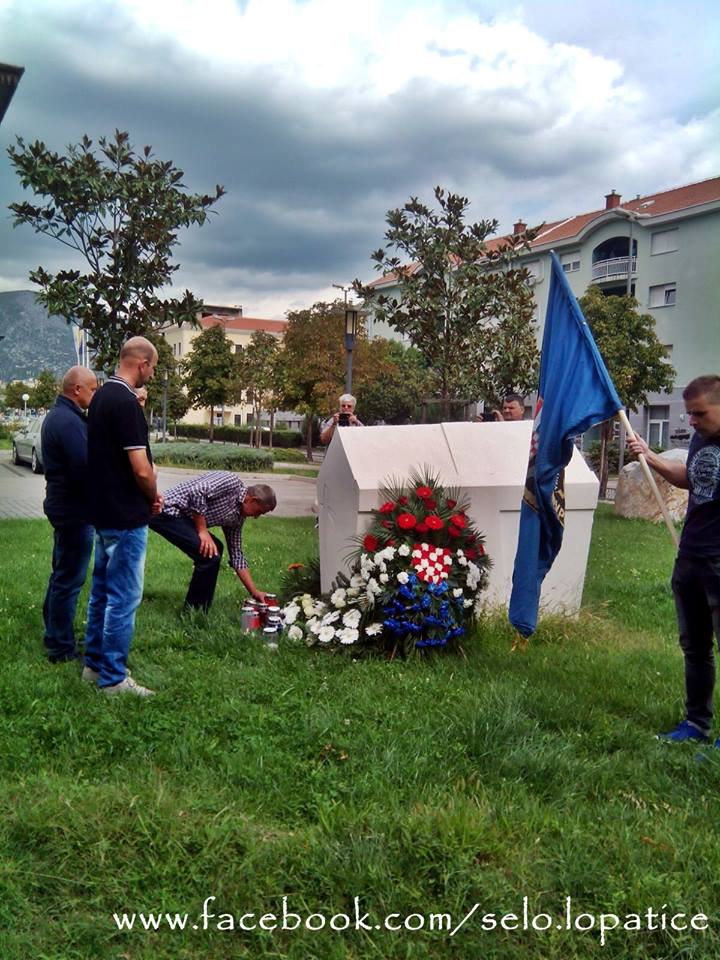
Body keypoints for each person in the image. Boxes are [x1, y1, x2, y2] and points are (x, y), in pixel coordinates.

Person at [627, 375, 720, 744]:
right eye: (690, 414)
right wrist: (651, 457)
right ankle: (696, 725)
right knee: (695, 647)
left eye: (700, 414)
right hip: (691, 556)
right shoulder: (700, 438)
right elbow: (692, 479)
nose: (692, 421)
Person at [83, 336, 162, 697]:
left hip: (102, 510)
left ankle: (93, 665)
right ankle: (113, 678)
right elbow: (141, 469)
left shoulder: (99, 397)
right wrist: (152, 496)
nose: (152, 374)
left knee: (101, 590)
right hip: (126, 515)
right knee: (124, 597)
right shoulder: (126, 402)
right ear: (142, 363)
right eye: (153, 368)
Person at [149, 474, 276, 612]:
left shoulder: (237, 518)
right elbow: (197, 491)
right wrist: (202, 531)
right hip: (166, 510)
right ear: (252, 499)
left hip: (185, 520)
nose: (256, 517)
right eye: (259, 512)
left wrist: (254, 591)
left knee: (215, 549)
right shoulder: (232, 482)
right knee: (208, 555)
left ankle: (201, 609)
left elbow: (236, 554)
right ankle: (194, 611)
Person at [40, 365, 98, 663]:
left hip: (63, 506)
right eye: (93, 388)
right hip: (74, 510)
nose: (95, 393)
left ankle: (52, 630)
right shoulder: (68, 422)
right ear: (77, 389)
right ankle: (60, 648)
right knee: (69, 579)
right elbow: (83, 469)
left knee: (61, 572)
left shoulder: (61, 416)